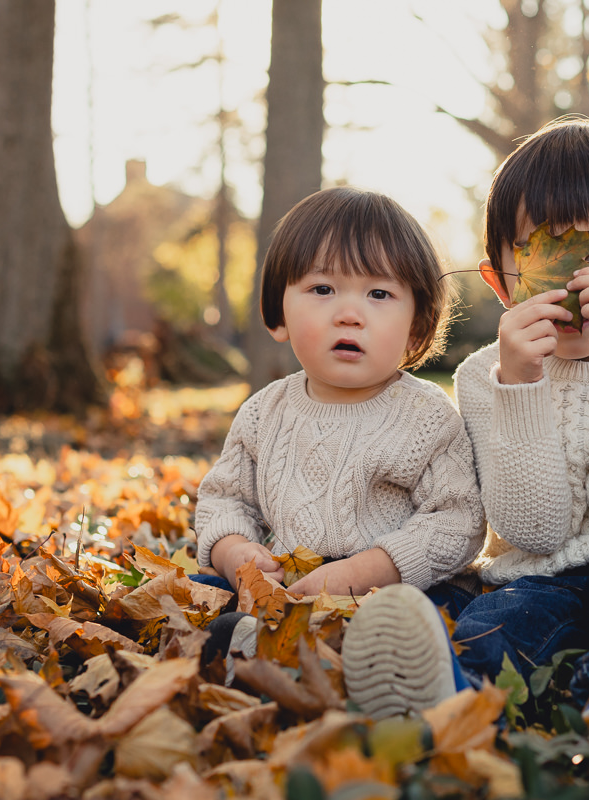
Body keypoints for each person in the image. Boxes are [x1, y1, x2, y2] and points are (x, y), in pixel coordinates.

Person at [342, 119, 589, 723]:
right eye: (540, 258)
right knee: (503, 614)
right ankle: (450, 698)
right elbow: (534, 532)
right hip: (545, 575)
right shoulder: (486, 377)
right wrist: (522, 388)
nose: (570, 281)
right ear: (499, 281)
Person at [195, 186, 485, 678]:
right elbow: (224, 500)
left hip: (393, 585)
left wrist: (363, 573)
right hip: (288, 585)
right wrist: (236, 553)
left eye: (379, 294)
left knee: (432, 620)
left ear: (416, 328)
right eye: (323, 289)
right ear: (277, 313)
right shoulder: (265, 412)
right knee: (202, 597)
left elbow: (458, 522)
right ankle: (262, 664)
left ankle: (369, 674)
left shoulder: (426, 416)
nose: (350, 313)